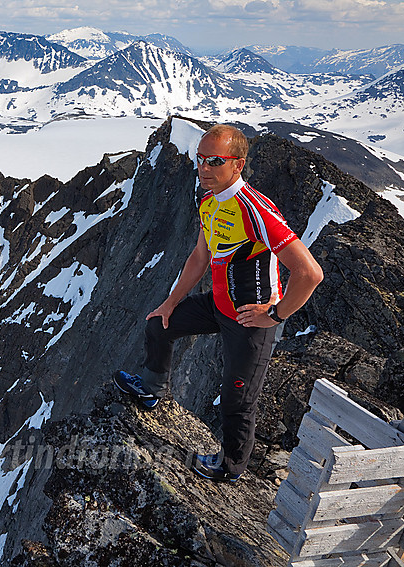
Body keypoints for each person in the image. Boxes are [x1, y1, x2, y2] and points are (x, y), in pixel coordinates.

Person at [114, 124, 324, 482]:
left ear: (238, 165)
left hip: (249, 319)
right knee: (157, 324)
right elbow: (199, 257)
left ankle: (231, 467)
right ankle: (152, 390)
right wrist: (169, 304)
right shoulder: (209, 202)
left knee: (236, 399)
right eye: (200, 160)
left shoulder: (256, 211)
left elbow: (309, 273)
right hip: (218, 304)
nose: (204, 168)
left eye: (215, 161)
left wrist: (274, 314)